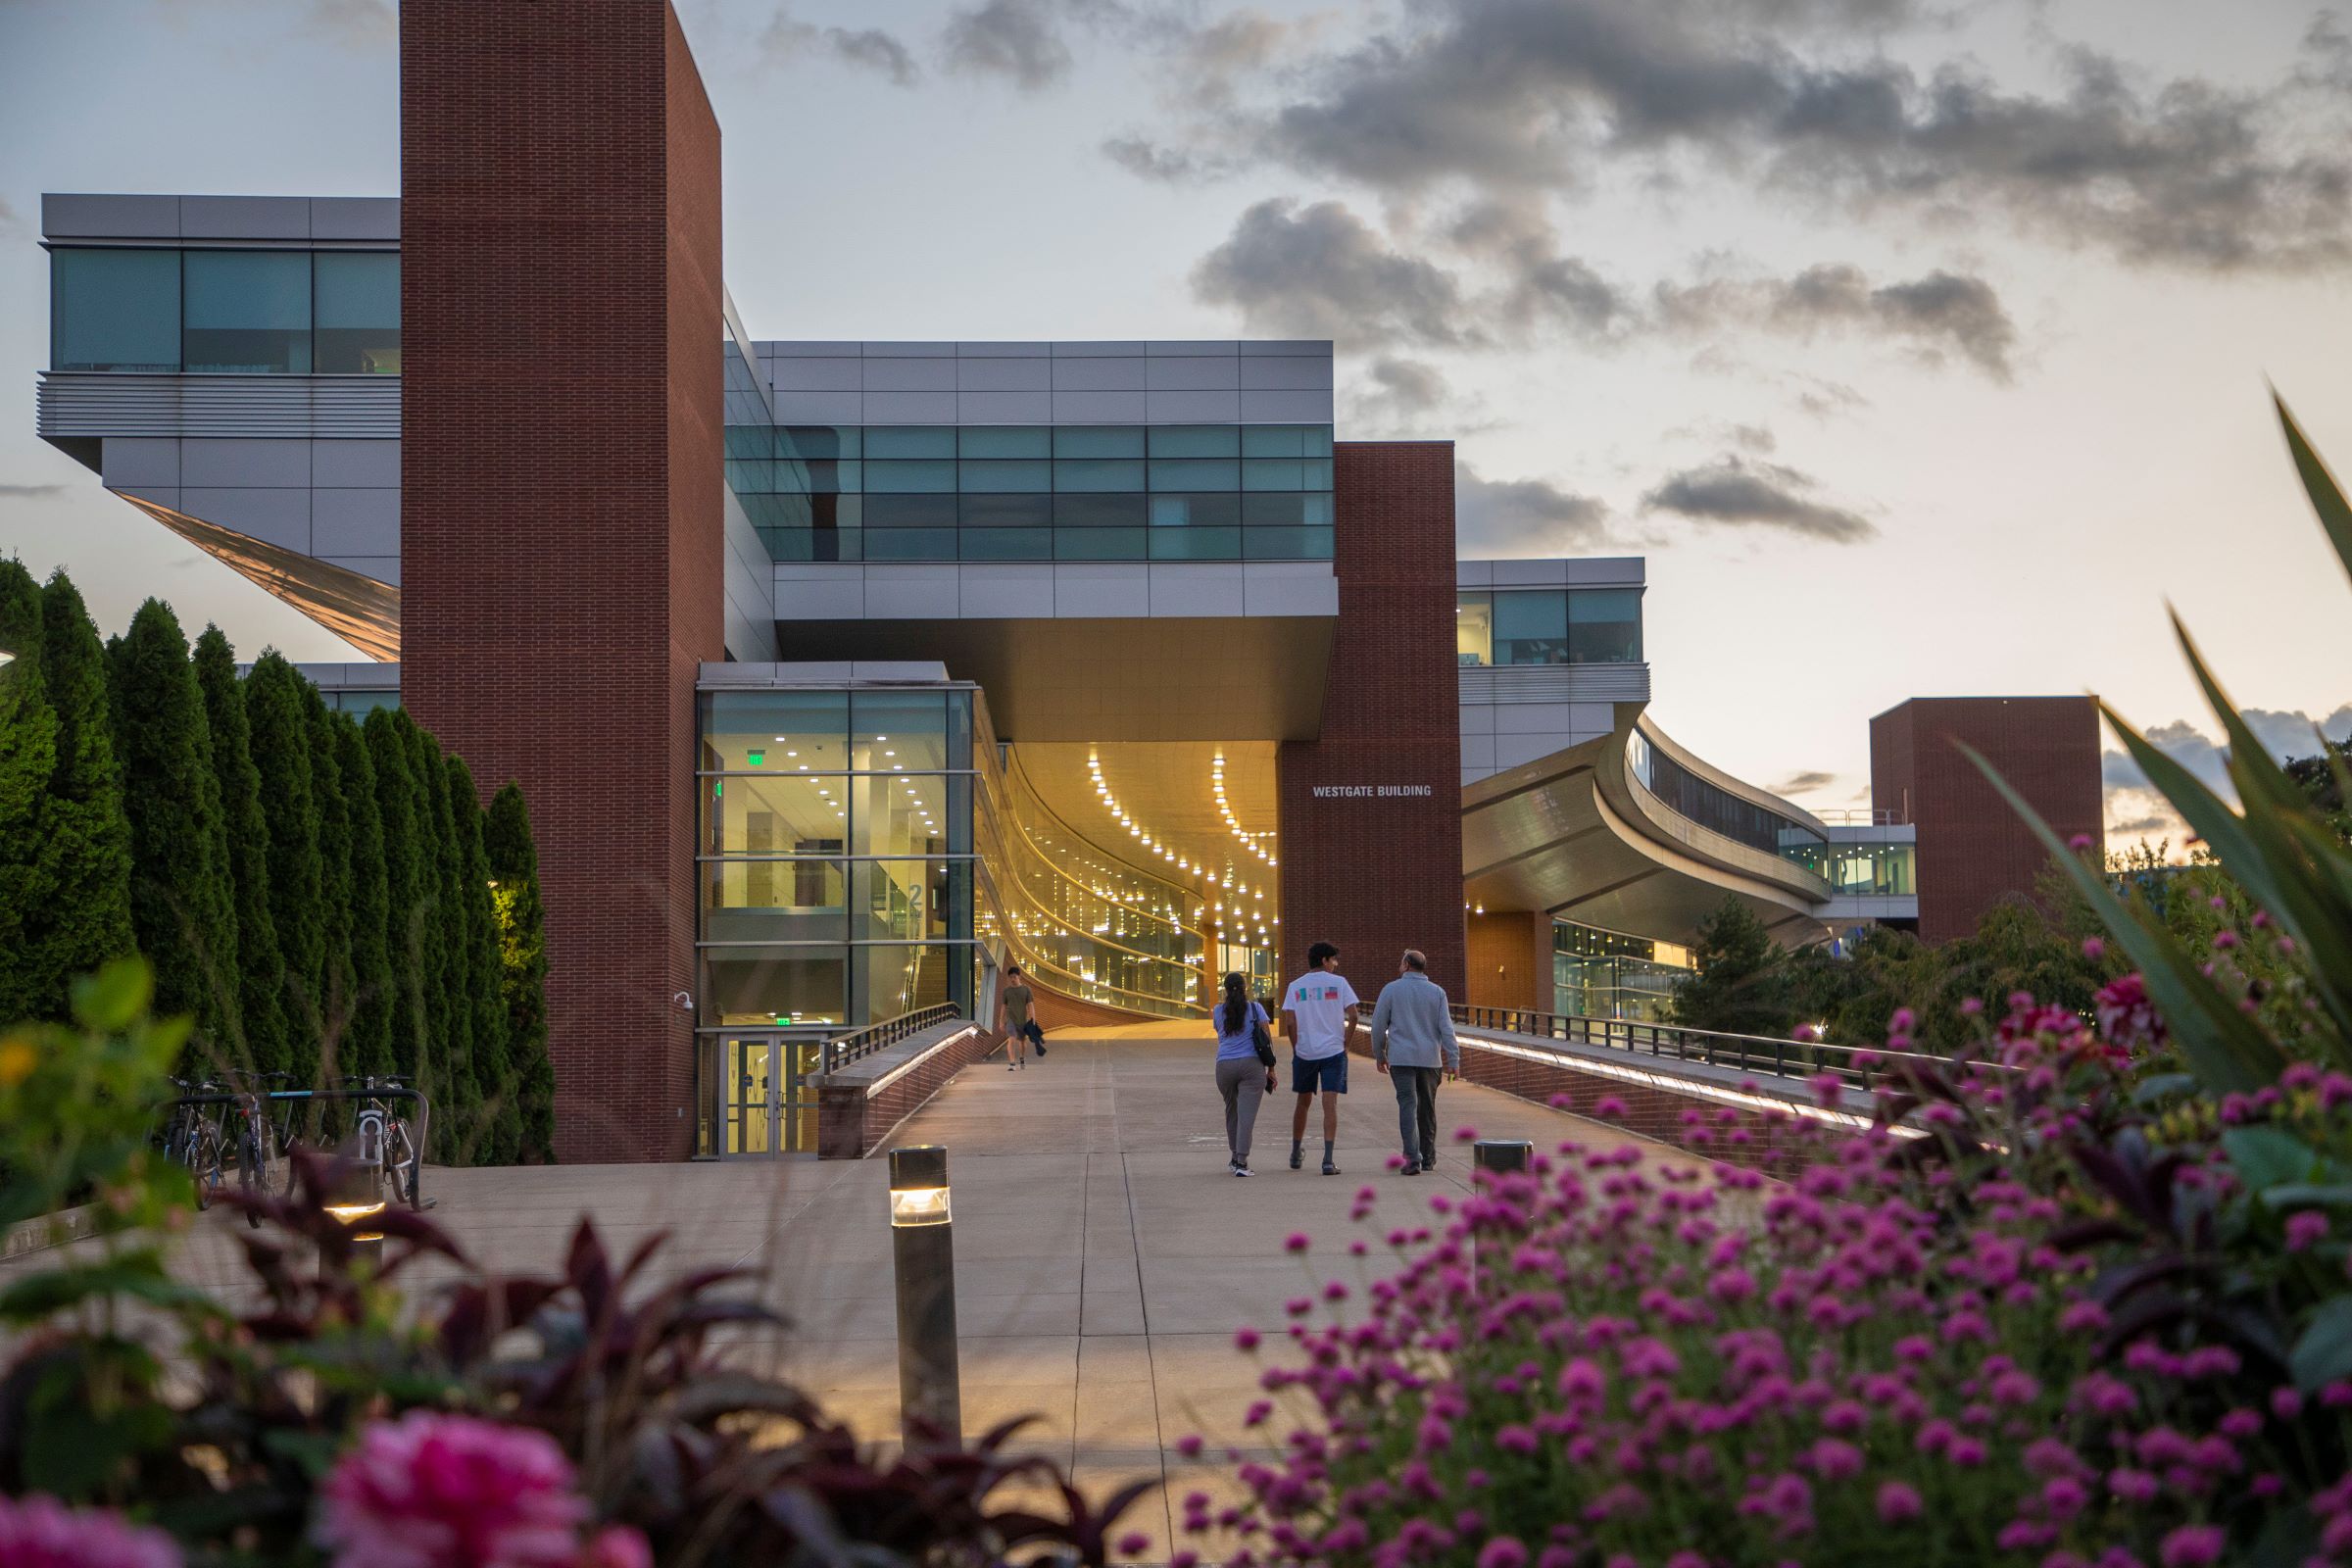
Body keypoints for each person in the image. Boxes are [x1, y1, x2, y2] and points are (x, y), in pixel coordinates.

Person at [1368, 949, 1459, 1176]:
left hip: (1401, 1059)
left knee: (1408, 1105)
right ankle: (1428, 1158)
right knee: (1427, 1108)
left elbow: (1378, 1025)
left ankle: (1412, 1159)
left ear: (1407, 964)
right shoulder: (1437, 993)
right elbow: (1446, 1029)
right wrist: (1453, 1059)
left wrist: (1379, 1054)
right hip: (1430, 1060)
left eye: (1401, 962)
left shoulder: (1391, 990)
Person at [1279, 941, 1359, 1175]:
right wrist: (1346, 1044)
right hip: (1333, 1051)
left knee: (1302, 1102)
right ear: (1324, 960)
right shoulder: (1339, 984)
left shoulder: (1296, 986)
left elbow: (1290, 1021)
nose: (1336, 964)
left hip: (1305, 1051)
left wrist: (1296, 1047)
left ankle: (1295, 1153)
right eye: (1334, 959)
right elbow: (1353, 1016)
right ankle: (1327, 1159)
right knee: (1329, 1102)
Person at [1211, 971, 1277, 1177]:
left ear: (1224, 989)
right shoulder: (1256, 1009)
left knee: (1231, 1111)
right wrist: (1271, 1069)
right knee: (1246, 1115)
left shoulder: (1217, 1011)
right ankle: (1241, 1161)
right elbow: (1266, 1039)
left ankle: (1233, 1157)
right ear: (1245, 987)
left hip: (1224, 1066)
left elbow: (1221, 1036)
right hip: (1251, 1066)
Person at [998, 964, 1037, 1072]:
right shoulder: (1007, 991)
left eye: (1014, 977)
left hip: (1022, 1020)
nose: (1012, 979)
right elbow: (1004, 1006)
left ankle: (1022, 1058)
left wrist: (1033, 1019)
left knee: (1023, 1042)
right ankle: (1012, 1063)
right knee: (1011, 1039)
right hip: (1011, 1020)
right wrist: (1001, 1021)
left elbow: (1030, 1005)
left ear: (1019, 977)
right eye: (1010, 977)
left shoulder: (1026, 990)